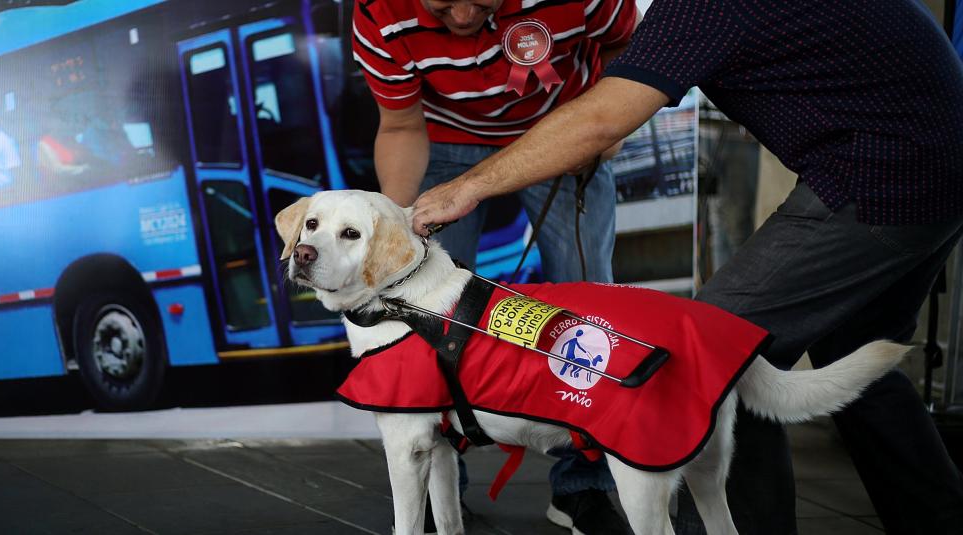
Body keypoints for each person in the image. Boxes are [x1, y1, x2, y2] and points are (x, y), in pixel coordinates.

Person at [410, 0, 963, 533]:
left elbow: (602, 118)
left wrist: (468, 187)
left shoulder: (704, 5)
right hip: (933, 164)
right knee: (858, 359)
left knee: (714, 356)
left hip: (881, 176)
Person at [352, 0, 639, 532]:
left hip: (564, 136)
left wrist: (612, 123)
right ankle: (440, 490)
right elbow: (400, 125)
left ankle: (582, 487)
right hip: (443, 142)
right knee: (423, 314)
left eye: (480, 0)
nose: (463, 15)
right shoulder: (380, 12)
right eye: (443, 3)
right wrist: (397, 219)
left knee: (590, 320)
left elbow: (626, 43)